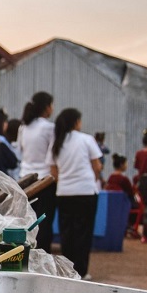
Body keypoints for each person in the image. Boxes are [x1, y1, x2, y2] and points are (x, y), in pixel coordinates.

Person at [46, 108, 103, 280]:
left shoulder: (56, 143)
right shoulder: (86, 139)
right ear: (76, 122)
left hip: (64, 192)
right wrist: (93, 179)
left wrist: (63, 182)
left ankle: (67, 269)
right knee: (83, 232)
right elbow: (97, 166)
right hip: (85, 191)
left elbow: (53, 172)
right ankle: (81, 271)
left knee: (66, 232)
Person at [19, 91, 56, 252]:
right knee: (44, 222)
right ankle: (42, 253)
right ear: (47, 107)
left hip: (25, 179)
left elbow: (21, 150)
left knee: (28, 220)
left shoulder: (23, 127)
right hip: (45, 180)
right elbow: (53, 155)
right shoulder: (49, 127)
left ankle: (27, 251)